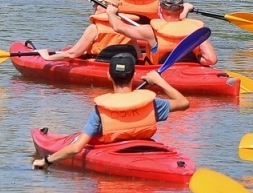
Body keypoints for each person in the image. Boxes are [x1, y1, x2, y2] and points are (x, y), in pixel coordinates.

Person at [32, 50, 189, 169]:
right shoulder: (151, 102)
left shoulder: (101, 108)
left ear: (109, 75)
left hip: (113, 153)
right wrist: (159, 81)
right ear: (134, 74)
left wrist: (46, 161)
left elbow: (76, 148)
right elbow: (183, 103)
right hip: (149, 149)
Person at [103, 0, 217, 67]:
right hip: (190, 70)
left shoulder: (150, 32)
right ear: (181, 10)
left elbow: (118, 27)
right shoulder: (196, 31)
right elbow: (211, 59)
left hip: (161, 72)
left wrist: (111, 13)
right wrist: (195, 60)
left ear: (161, 9)